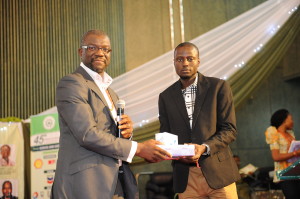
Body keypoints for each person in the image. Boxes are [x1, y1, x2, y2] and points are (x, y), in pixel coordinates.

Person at [51, 30, 171, 199]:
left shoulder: (111, 93)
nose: (100, 53)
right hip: (86, 184)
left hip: (117, 181)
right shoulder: (72, 83)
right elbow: (87, 134)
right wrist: (138, 148)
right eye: (92, 47)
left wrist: (127, 133)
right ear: (81, 52)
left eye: (105, 49)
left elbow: (110, 135)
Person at [158, 42, 240, 198]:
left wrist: (203, 148)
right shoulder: (165, 96)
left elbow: (230, 130)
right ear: (174, 62)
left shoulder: (218, 87)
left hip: (219, 173)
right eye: (180, 59)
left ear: (198, 61)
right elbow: (165, 134)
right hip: (186, 177)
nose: (185, 63)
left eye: (190, 58)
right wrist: (168, 149)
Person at [265, 109, 300, 199]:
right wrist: (295, 153)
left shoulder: (290, 133)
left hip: (295, 172)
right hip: (284, 174)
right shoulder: (274, 133)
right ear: (284, 120)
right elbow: (276, 156)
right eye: (291, 119)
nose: (293, 122)